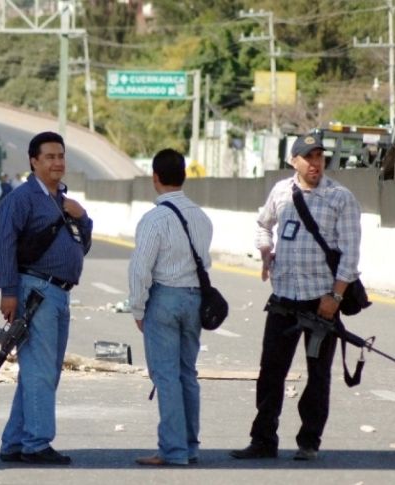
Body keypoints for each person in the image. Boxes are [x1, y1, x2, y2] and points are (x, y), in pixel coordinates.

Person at [230, 133, 363, 462]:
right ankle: (263, 440)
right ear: (294, 161)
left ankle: (309, 442)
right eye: (309, 157)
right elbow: (263, 224)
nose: (316, 163)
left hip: (321, 303)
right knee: (270, 372)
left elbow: (350, 255)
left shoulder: (340, 198)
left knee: (318, 375)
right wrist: (265, 249)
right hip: (284, 299)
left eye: (320, 157)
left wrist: (335, 296)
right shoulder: (281, 191)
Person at [0, 131, 93, 465]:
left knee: (41, 370)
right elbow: (3, 242)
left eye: (61, 156)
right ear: (33, 161)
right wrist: (8, 291)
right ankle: (36, 444)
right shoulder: (22, 199)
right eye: (49, 157)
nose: (57, 162)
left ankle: (15, 442)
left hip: (59, 293)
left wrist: (83, 217)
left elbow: (83, 245)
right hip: (34, 290)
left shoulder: (63, 199)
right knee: (40, 372)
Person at [128, 148, 213, 466]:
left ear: (155, 178)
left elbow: (140, 269)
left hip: (164, 299)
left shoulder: (154, 219)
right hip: (194, 299)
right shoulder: (202, 217)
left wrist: (138, 309)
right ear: (184, 176)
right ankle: (190, 447)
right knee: (187, 374)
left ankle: (173, 450)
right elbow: (205, 262)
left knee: (165, 377)